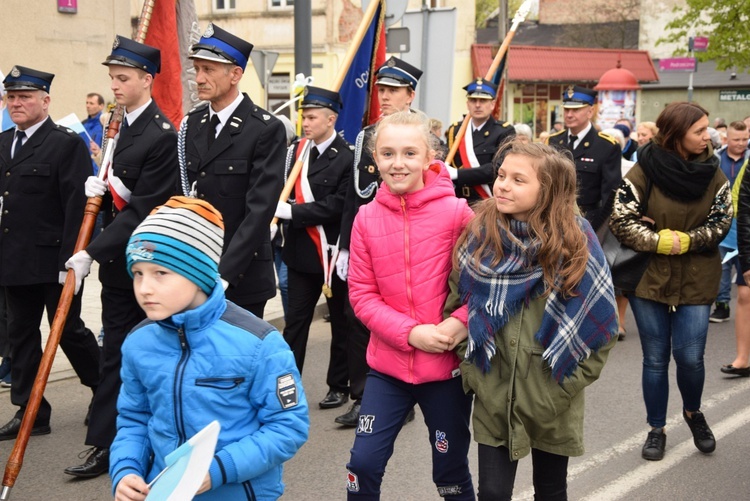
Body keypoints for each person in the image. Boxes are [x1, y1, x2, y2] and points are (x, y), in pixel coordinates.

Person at [110, 196, 309, 501]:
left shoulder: (259, 343)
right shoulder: (139, 342)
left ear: (198, 274)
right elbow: (134, 418)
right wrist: (125, 470)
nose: (145, 288)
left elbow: (287, 427)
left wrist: (217, 470)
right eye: (138, 273)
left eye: (161, 273)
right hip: (163, 492)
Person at [451, 140, 618, 500]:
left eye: (518, 179)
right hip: (494, 392)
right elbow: (458, 304)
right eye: (500, 175)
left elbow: (601, 329)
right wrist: (473, 373)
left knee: (551, 490)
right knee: (493, 493)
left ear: (549, 191)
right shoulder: (479, 236)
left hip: (554, 392)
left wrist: (562, 389)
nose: (503, 185)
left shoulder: (577, 244)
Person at [63, 36, 178, 478]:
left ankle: (159, 438)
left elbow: (144, 210)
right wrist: (98, 191)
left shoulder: (160, 135)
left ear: (146, 80)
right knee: (115, 353)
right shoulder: (116, 125)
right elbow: (114, 201)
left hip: (147, 263)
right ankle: (105, 444)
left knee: (150, 354)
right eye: (112, 77)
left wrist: (92, 250)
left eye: (123, 78)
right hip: (117, 267)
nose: (115, 85)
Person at [345, 111, 475, 499]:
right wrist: (411, 333)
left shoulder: (457, 213)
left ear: (429, 156)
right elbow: (361, 295)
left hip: (446, 369)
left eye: (409, 152)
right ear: (375, 158)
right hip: (388, 368)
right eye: (387, 153)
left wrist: (460, 323)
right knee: (363, 464)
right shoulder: (365, 218)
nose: (397, 163)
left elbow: (482, 285)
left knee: (450, 471)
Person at [609, 101, 731, 461]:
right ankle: (656, 429)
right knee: (656, 358)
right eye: (698, 130)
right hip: (650, 279)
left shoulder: (714, 171)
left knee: (691, 358)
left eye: (707, 128)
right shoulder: (643, 169)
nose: (706, 135)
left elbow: (723, 219)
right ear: (677, 135)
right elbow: (621, 219)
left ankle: (693, 414)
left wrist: (690, 240)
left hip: (698, 277)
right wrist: (657, 240)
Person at [0, 66, 101, 441]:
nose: (16, 103)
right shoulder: (3, 141)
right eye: (11, 97)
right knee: (20, 335)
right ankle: (31, 412)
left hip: (55, 261)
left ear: (45, 101)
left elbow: (77, 206)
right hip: (14, 260)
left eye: (24, 97)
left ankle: (104, 392)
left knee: (69, 331)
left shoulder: (65, 142)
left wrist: (73, 262)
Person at [334, 56, 423, 426]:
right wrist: (343, 244)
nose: (384, 97)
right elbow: (354, 196)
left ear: (410, 94)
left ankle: (410, 394)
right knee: (358, 317)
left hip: (411, 241)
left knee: (407, 319)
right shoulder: (365, 135)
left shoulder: (423, 134)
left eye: (392, 90)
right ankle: (364, 394)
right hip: (369, 238)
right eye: (381, 90)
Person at [180, 23, 286, 318]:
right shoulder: (193, 124)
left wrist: (224, 274)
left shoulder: (265, 129)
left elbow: (259, 212)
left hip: (241, 276)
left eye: (208, 70)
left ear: (235, 74)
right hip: (196, 267)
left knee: (236, 362)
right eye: (197, 69)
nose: (198, 78)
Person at [275, 86, 353, 412]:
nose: (305, 122)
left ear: (330, 119)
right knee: (295, 323)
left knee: (340, 323)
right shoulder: (296, 152)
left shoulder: (346, 157)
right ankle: (286, 385)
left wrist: (295, 212)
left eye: (311, 117)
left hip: (331, 252)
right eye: (303, 117)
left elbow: (339, 204)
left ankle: (339, 386)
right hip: (300, 252)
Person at [547, 85, 622, 231]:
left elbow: (610, 196)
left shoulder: (606, 146)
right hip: (553, 219)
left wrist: (600, 230)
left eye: (575, 110)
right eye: (566, 109)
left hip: (589, 221)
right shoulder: (553, 141)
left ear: (590, 111)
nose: (569, 114)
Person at [445, 78, 515, 206]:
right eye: (473, 100)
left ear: (492, 104)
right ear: (467, 104)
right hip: (459, 201)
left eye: (483, 101)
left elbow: (498, 168)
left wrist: (457, 174)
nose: (477, 105)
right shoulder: (455, 130)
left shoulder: (504, 131)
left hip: (487, 201)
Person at [710, 121, 750, 323]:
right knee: (722, 267)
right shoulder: (716, 159)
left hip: (745, 221)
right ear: (727, 139)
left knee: (744, 266)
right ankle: (722, 305)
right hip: (722, 222)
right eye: (736, 139)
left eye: (745, 139)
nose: (741, 143)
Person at [733, 147, 750, 377]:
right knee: (745, 295)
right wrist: (746, 261)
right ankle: (742, 358)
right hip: (747, 242)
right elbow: (743, 209)